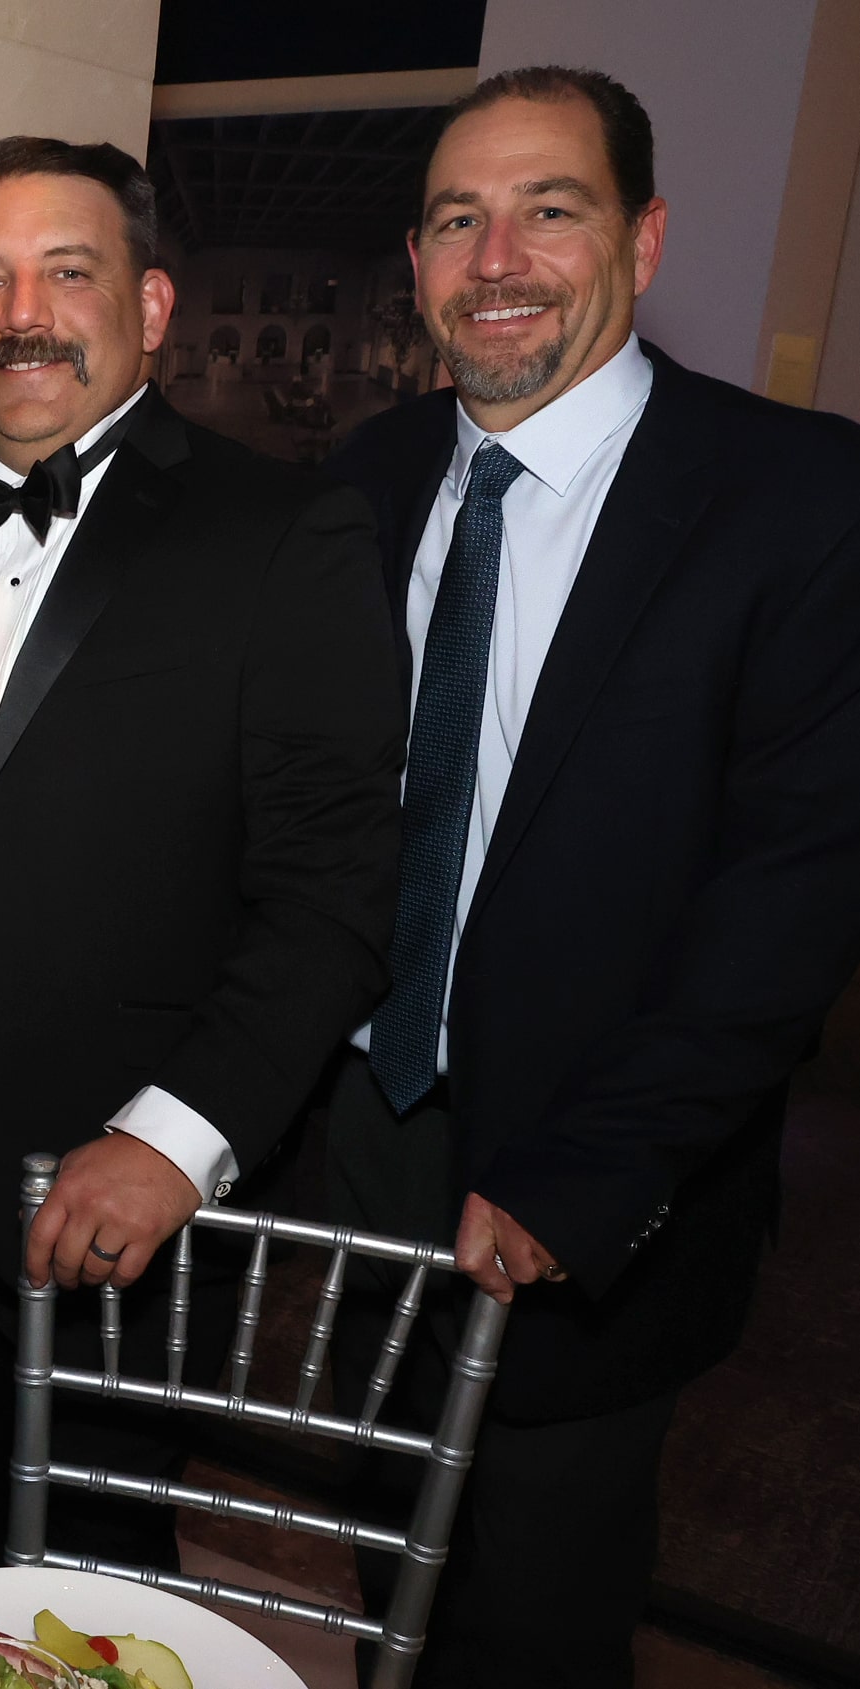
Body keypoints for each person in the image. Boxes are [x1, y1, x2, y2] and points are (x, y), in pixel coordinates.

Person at [0, 136, 403, 1574]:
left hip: (106, 1157)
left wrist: (173, 1139)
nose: (23, 315)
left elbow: (334, 891)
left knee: (93, 1569)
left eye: (67, 272)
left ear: (154, 305)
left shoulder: (281, 531)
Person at [320, 67, 860, 1686]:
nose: (495, 258)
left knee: (536, 1619)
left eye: (546, 209)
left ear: (641, 238)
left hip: (593, 1183)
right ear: (415, 261)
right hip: (363, 1154)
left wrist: (586, 1176)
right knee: (381, 1595)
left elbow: (793, 896)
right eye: (455, 220)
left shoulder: (796, 498)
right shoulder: (358, 479)